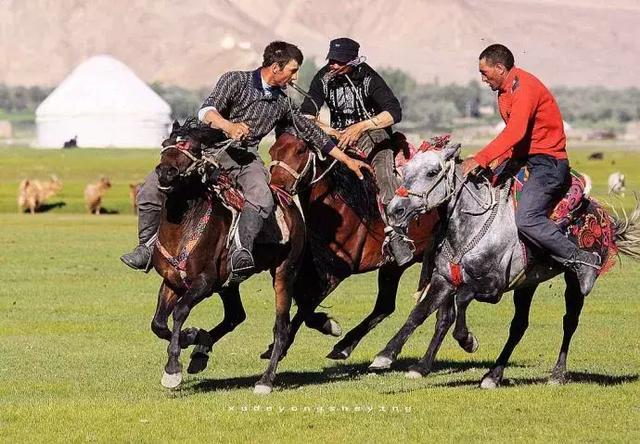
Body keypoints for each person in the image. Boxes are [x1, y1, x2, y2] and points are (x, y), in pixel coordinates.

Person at [121, 41, 371, 283]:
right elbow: (206, 111)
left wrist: (346, 160)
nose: (294, 78)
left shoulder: (283, 102)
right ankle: (145, 248)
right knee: (149, 190)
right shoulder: (235, 80)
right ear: (276, 68)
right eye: (293, 71)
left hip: (242, 158)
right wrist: (228, 126)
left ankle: (242, 250)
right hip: (202, 149)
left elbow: (310, 131)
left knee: (262, 196)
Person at [461, 43, 601, 295]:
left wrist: (482, 157)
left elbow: (516, 132)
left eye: (485, 73)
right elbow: (515, 138)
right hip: (524, 159)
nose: (482, 79)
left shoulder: (524, 87)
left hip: (548, 164)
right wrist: (490, 162)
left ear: (500, 68)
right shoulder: (504, 90)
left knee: (527, 219)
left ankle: (581, 259)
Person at [299, 37, 413, 265]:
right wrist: (331, 132)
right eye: (331, 60)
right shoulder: (323, 78)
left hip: (372, 133)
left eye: (339, 62)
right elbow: (306, 116)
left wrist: (360, 126)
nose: (333, 65)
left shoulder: (369, 78)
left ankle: (397, 232)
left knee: (382, 167)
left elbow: (394, 112)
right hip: (337, 136)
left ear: (353, 60)